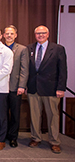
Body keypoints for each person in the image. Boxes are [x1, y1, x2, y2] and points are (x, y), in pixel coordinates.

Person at [27, 25, 67, 154]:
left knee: (52, 116)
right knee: (34, 116)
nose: (41, 35)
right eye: (38, 33)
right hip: (33, 88)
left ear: (48, 34)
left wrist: (61, 88)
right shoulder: (29, 48)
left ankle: (54, 141)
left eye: (43, 33)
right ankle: (36, 138)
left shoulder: (57, 49)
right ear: (35, 34)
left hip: (51, 89)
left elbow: (62, 70)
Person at [4, 25, 29, 148]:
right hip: (1, 87)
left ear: (15, 35)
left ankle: (13, 137)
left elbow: (24, 69)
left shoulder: (22, 49)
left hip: (15, 87)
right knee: (3, 114)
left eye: (11, 34)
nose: (9, 36)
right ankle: (3, 135)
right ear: (4, 35)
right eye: (7, 33)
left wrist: (22, 86)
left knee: (14, 113)